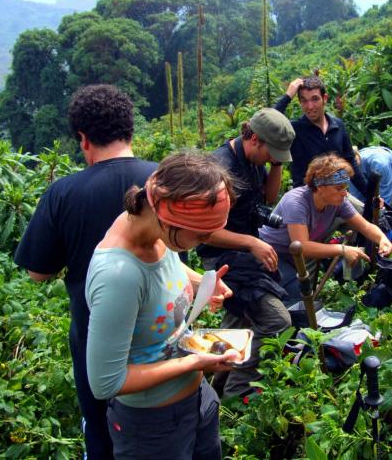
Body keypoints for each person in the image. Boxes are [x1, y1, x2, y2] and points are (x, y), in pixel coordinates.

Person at [13, 84, 157, 459]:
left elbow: (38, 273)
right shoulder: (162, 181)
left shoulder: (64, 192)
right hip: (162, 325)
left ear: (82, 138)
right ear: (130, 129)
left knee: (102, 428)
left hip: (94, 333)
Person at [85, 152, 236, 458]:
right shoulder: (119, 275)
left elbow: (167, 269)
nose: (207, 240)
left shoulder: (152, 229)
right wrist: (195, 362)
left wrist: (202, 283)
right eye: (202, 233)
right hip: (153, 427)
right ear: (168, 218)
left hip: (197, 401)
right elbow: (106, 383)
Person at [197, 108, 295, 398]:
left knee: (235, 328)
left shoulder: (253, 159)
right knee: (277, 321)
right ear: (253, 138)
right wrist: (251, 243)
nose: (270, 157)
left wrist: (276, 163)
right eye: (270, 152)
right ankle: (236, 396)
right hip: (222, 257)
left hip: (244, 253)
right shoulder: (219, 168)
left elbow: (268, 197)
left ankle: (213, 394)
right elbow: (203, 231)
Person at [259, 154, 392, 303]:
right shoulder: (296, 202)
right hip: (271, 255)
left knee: (304, 297)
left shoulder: (339, 201)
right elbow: (302, 246)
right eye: (338, 188)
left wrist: (382, 239)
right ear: (319, 187)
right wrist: (342, 249)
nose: (344, 193)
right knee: (296, 298)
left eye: (345, 187)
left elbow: (365, 226)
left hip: (295, 259)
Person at [273, 75, 368, 196]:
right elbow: (268, 124)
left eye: (315, 99)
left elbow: (351, 162)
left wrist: (371, 195)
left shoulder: (338, 126)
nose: (310, 106)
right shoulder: (295, 129)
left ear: (325, 98)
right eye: (304, 100)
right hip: (307, 200)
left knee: (373, 212)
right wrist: (287, 96)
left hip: (337, 197)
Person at [349, 146, 392, 222]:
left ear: (357, 154)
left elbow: (385, 197)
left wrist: (379, 218)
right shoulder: (350, 169)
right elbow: (358, 199)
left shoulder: (379, 162)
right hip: (379, 184)